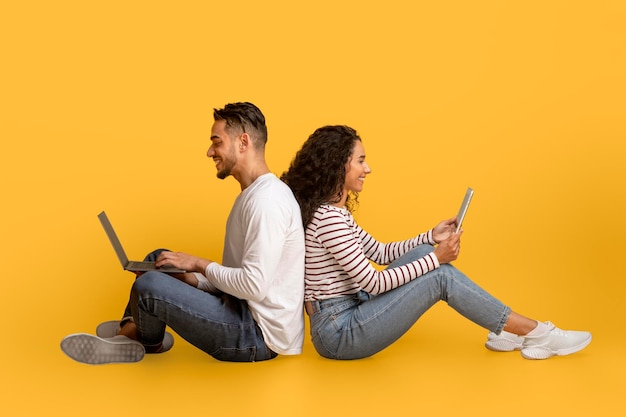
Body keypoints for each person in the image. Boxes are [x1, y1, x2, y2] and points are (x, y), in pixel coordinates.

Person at [280, 125, 591, 360]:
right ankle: (534, 332)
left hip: (350, 311)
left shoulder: (334, 212)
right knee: (438, 275)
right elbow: (373, 283)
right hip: (339, 332)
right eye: (361, 161)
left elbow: (379, 252)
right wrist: (437, 259)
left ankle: (508, 329)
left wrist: (430, 238)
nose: (368, 168)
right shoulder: (329, 219)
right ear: (338, 165)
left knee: (424, 253)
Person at [61, 102, 305, 364]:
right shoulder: (250, 197)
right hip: (240, 310)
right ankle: (140, 333)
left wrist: (199, 264)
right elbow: (240, 283)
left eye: (217, 142)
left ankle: (137, 335)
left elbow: (253, 287)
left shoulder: (267, 201)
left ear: (243, 142)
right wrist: (191, 279)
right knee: (160, 260)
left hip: (257, 336)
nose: (210, 151)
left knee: (150, 284)